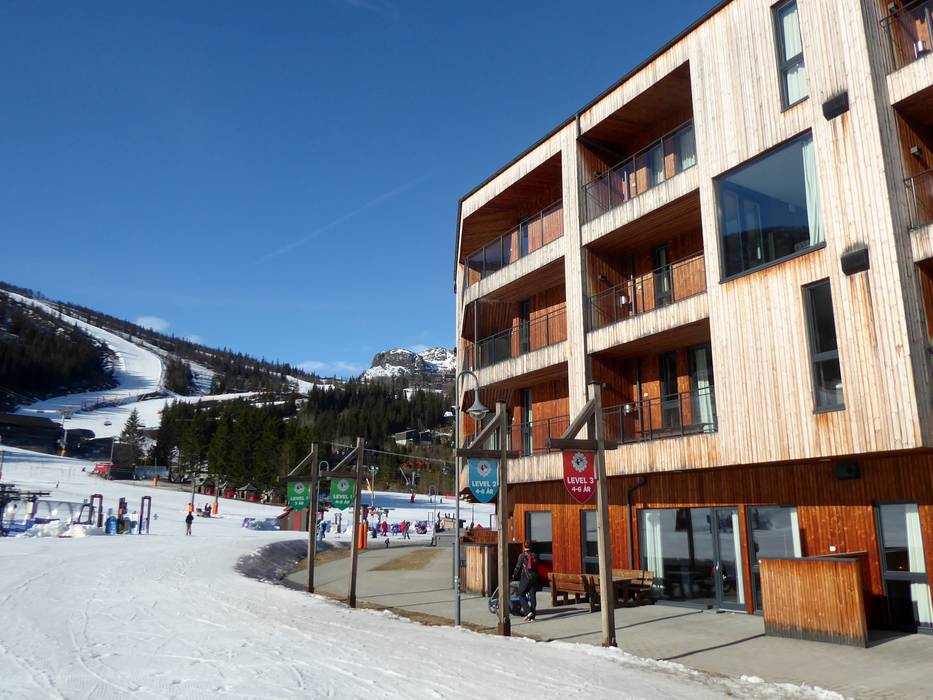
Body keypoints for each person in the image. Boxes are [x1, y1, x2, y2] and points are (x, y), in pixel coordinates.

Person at [512, 540, 539, 621]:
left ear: (524, 546)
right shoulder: (534, 555)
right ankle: (532, 616)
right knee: (532, 596)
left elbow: (518, 567)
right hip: (534, 578)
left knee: (521, 594)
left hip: (526, 578)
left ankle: (528, 611)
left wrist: (514, 575)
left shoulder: (522, 556)